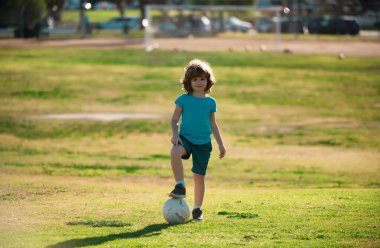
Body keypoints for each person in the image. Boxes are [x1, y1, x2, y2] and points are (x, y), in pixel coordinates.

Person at [169, 59, 226, 221]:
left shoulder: (211, 102)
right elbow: (174, 120)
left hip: (203, 144)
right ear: (189, 82)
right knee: (174, 150)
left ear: (208, 81)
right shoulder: (183, 99)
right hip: (185, 138)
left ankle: (197, 209)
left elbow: (213, 125)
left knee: (199, 176)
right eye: (195, 79)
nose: (199, 82)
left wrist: (220, 144)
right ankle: (180, 185)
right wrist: (175, 134)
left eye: (202, 79)